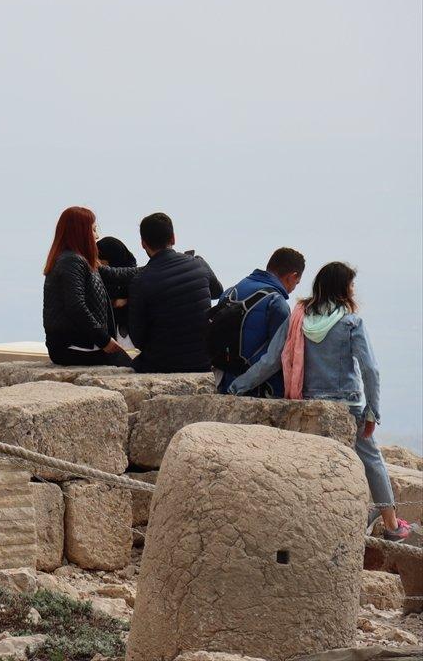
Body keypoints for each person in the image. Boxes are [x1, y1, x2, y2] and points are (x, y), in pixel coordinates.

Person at [228, 262, 411, 541]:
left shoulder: (297, 319)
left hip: (308, 404)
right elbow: (370, 369)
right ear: (342, 289)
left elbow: (272, 361)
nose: (353, 290)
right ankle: (391, 525)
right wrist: (372, 411)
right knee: (372, 460)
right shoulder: (351, 322)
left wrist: (236, 387)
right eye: (350, 285)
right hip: (346, 406)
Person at [42, 207, 139, 367]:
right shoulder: (71, 261)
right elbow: (76, 307)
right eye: (93, 230)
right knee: (132, 367)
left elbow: (116, 274)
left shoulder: (80, 260)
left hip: (83, 343)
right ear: (80, 233)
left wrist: (156, 266)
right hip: (73, 346)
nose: (97, 236)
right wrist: (104, 340)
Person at [128, 212, 223, 373]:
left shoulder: (140, 280)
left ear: (143, 244)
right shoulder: (199, 264)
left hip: (161, 363)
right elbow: (217, 292)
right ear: (173, 238)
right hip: (203, 361)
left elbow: (138, 339)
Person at [215, 247, 306, 397]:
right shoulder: (276, 303)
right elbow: (275, 358)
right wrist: (239, 387)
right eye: (296, 282)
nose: (293, 289)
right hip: (260, 391)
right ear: (292, 276)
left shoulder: (229, 293)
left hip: (224, 384)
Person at [96, 236, 137, 339]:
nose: (98, 262)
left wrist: (126, 300)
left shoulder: (135, 277)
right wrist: (114, 302)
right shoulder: (97, 277)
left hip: (131, 334)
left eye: (101, 258)